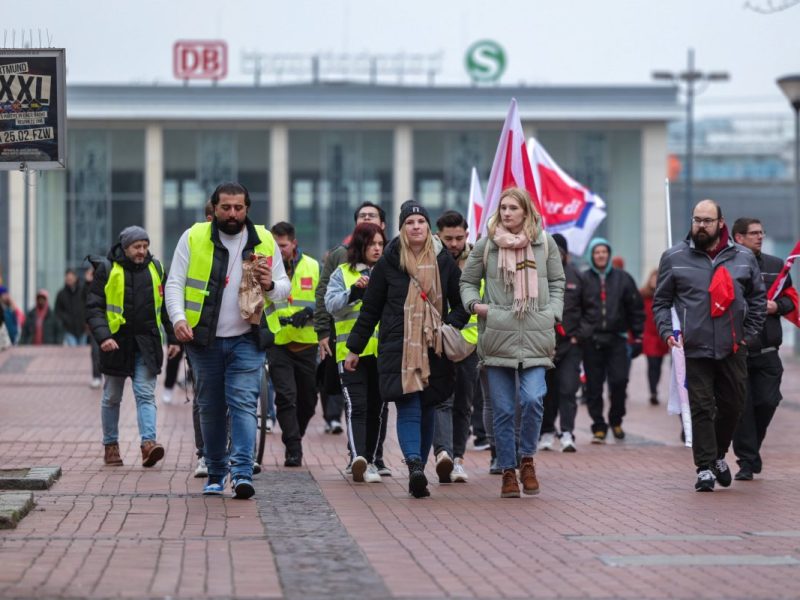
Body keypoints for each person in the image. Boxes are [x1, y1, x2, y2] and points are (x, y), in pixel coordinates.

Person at [166, 181, 290, 498]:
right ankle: (216, 471)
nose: (232, 213)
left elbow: (284, 290)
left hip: (248, 339)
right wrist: (178, 319)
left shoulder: (264, 240)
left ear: (247, 209)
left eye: (238, 207)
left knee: (243, 405)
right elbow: (174, 283)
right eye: (225, 207)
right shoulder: (193, 237)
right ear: (214, 209)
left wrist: (271, 284)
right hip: (203, 341)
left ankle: (243, 473)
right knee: (209, 407)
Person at [345, 200, 468, 498]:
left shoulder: (443, 261)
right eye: (410, 223)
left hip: (433, 346)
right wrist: (354, 349)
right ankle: (414, 466)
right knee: (408, 404)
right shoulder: (389, 261)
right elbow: (371, 309)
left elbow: (462, 302)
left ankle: (419, 465)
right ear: (401, 228)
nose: (416, 227)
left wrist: (447, 326)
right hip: (397, 347)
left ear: (428, 227)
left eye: (421, 222)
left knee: (427, 406)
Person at [653, 200, 766, 492]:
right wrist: (668, 332)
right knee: (701, 407)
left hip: (733, 346)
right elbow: (662, 302)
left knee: (733, 406)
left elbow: (756, 300)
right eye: (697, 219)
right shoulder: (674, 257)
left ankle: (717, 454)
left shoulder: (743, 257)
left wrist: (748, 335)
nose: (701, 225)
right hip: (694, 346)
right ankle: (704, 468)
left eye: (707, 220)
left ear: (720, 223)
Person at [461, 187, 565, 498]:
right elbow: (466, 281)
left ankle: (527, 460)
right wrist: (477, 307)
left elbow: (557, 281)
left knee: (533, 400)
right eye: (503, 208)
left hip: (536, 334)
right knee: (503, 410)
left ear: (526, 212)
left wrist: (553, 312)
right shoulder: (487, 244)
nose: (506, 213)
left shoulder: (544, 243)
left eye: (513, 208)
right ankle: (507, 469)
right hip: (497, 336)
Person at [86, 226, 176, 468]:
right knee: (112, 396)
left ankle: (149, 445)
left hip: (146, 344)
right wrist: (104, 336)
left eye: (145, 246)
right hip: (115, 345)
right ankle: (111, 446)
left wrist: (174, 339)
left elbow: (167, 307)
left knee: (146, 394)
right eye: (137, 247)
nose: (142, 251)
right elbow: (94, 308)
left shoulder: (156, 269)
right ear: (125, 248)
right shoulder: (107, 269)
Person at [315, 200, 391, 475]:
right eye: (372, 243)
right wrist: (354, 293)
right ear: (360, 245)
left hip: (383, 353)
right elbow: (330, 304)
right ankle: (358, 458)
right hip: (350, 353)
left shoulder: (391, 272)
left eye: (381, 243)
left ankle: (372, 459)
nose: (377, 248)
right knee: (356, 405)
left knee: (377, 409)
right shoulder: (342, 273)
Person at [731, 217, 794, 481]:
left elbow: (790, 301)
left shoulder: (775, 266)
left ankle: (751, 450)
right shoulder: (726, 266)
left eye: (761, 233)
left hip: (768, 351)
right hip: (739, 350)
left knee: (767, 402)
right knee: (741, 409)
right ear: (738, 238)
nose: (760, 237)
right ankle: (746, 461)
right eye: (754, 233)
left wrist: (776, 307)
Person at [433, 209, 483, 482]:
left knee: (464, 404)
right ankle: (443, 453)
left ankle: (459, 459)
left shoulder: (477, 260)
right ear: (438, 236)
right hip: (437, 341)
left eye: (459, 238)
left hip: (470, 345)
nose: (454, 243)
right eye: (448, 238)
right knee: (441, 399)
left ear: (466, 235)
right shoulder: (428, 258)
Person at [267, 221, 320, 467]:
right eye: (275, 246)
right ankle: (293, 448)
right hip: (278, 342)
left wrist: (309, 311)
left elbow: (324, 300)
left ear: (294, 243)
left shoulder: (312, 266)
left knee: (308, 400)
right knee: (286, 397)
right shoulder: (266, 268)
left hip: (306, 343)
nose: (279, 251)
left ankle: (295, 434)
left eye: (283, 246)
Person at [538, 233, 597, 453]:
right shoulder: (537, 276)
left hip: (570, 344)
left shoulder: (578, 278)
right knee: (545, 391)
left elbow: (591, 311)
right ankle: (546, 432)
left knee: (568, 389)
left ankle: (567, 432)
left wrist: (578, 336)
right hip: (543, 345)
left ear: (565, 254)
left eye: (559, 252)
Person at [581, 238, 644, 443]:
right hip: (592, 340)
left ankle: (616, 420)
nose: (600, 255)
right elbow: (575, 308)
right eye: (596, 252)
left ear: (608, 255)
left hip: (618, 339)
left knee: (619, 381)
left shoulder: (623, 278)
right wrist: (582, 332)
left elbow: (635, 309)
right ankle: (598, 425)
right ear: (591, 255)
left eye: (604, 252)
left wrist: (638, 336)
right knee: (594, 386)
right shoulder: (584, 279)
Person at [640, 268, 669, 405]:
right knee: (652, 364)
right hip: (649, 335)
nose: (654, 281)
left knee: (658, 365)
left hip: (661, 336)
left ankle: (655, 387)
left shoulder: (665, 296)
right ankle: (653, 391)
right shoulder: (643, 295)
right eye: (653, 278)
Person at [55, 269, 88, 346]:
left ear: (75, 278)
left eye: (71, 278)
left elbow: (88, 306)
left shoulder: (82, 291)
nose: (69, 280)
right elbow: (58, 311)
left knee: (82, 352)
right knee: (73, 351)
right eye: (67, 278)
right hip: (69, 330)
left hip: (82, 329)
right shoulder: (61, 294)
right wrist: (65, 320)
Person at [82, 266, 103, 388]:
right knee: (95, 352)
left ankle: (109, 376)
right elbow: (84, 299)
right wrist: (87, 282)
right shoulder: (89, 287)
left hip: (110, 323)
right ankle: (96, 377)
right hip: (95, 323)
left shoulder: (110, 281)